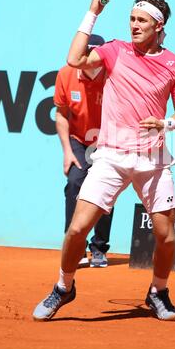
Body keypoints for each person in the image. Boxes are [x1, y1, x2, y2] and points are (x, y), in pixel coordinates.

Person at [33, 0, 175, 322]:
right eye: (131, 18)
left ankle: (158, 292)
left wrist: (166, 122)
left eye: (141, 20)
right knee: (77, 230)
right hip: (111, 157)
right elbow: (74, 58)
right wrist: (93, 11)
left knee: (166, 236)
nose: (134, 25)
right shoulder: (115, 50)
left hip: (152, 160)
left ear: (158, 27)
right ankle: (64, 287)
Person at [54, 34, 113, 268]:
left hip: (108, 141)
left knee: (106, 191)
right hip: (79, 139)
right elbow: (61, 114)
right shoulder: (66, 73)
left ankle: (99, 248)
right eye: (87, 52)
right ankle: (75, 246)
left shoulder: (113, 75)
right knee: (74, 184)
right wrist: (67, 151)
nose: (91, 58)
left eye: (96, 53)